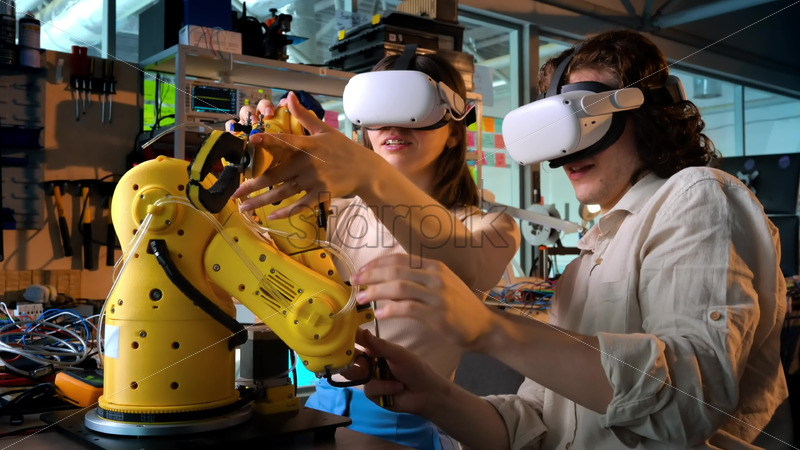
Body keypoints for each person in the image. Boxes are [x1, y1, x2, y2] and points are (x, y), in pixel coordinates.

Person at [348, 30, 789, 449]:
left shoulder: (697, 195)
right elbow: (535, 425)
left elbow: (690, 404)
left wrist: (490, 329)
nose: (567, 151)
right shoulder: (585, 265)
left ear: (647, 112)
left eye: (587, 119)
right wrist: (433, 397)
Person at [229, 51, 521, 449]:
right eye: (379, 110)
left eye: (412, 107)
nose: (392, 124)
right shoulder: (328, 212)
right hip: (314, 414)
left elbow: (473, 267)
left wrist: (369, 174)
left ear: (454, 131)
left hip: (405, 430)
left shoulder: (491, 226)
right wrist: (257, 163)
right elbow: (248, 272)